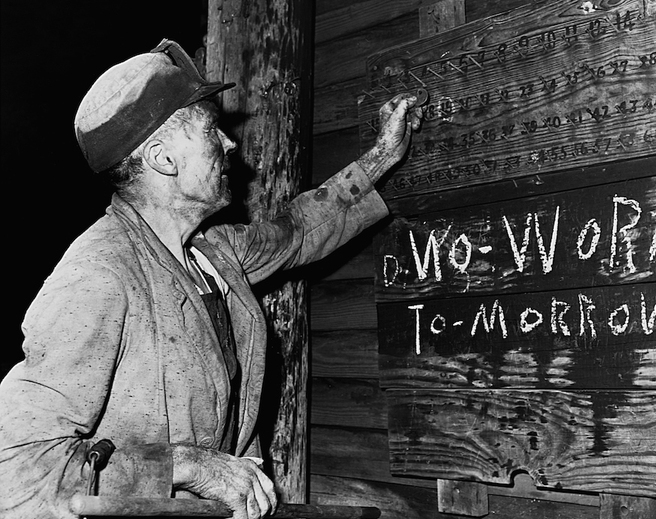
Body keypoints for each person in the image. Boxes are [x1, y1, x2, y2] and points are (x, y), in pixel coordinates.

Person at [0, 39, 421, 519]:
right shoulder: (97, 276)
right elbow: (16, 468)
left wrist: (382, 157)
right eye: (209, 130)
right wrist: (190, 466)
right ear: (163, 159)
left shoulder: (211, 250)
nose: (229, 143)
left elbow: (299, 230)